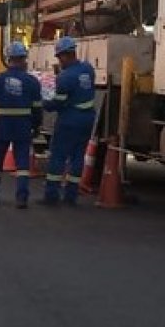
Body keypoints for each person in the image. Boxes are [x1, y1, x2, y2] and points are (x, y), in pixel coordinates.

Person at [0, 41, 42, 209]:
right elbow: (37, 108)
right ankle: (22, 197)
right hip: (23, 126)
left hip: (2, 126)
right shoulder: (32, 81)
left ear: (8, 59)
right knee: (22, 163)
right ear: (24, 59)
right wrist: (36, 126)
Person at [42, 36, 97, 206]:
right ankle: (71, 195)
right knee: (78, 156)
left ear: (66, 55)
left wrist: (44, 103)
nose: (59, 61)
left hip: (69, 120)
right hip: (87, 118)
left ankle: (51, 195)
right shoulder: (87, 69)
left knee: (58, 156)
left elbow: (58, 103)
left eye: (60, 57)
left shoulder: (65, 77)